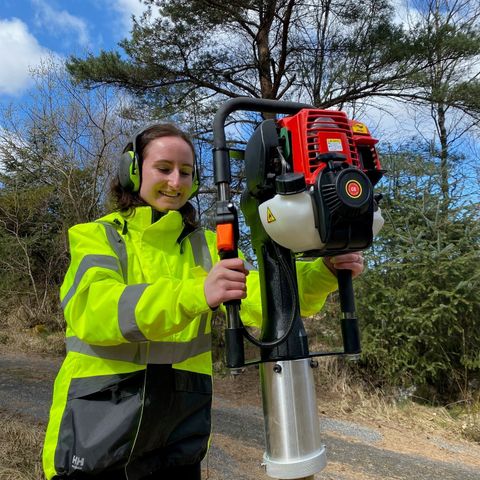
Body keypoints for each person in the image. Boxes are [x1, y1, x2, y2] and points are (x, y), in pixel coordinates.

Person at [42, 123, 364, 480]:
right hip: (97, 434)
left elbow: (268, 296)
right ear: (132, 172)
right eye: (163, 169)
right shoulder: (97, 237)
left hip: (177, 441)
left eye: (185, 172)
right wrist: (196, 293)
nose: (176, 182)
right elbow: (96, 311)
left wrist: (325, 272)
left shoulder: (208, 247)